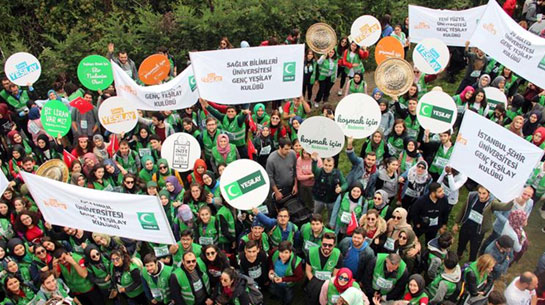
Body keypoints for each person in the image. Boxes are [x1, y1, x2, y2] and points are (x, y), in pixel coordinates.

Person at [454, 186, 514, 261]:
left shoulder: (492, 203)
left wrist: (513, 200)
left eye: (484, 193)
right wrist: (456, 223)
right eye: (479, 193)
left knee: (474, 249)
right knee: (461, 244)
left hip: (478, 231)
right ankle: (458, 256)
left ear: (488, 194)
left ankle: (470, 264)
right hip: (466, 226)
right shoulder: (472, 196)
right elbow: (463, 209)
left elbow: (504, 207)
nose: (481, 196)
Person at [311, 152, 347, 218]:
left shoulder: (338, 173)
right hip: (319, 198)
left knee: (331, 215)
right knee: (316, 213)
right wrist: (314, 161)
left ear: (333, 166)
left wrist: (341, 188)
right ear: (323, 164)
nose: (327, 167)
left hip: (331, 199)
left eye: (330, 165)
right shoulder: (319, 171)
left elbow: (345, 184)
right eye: (326, 165)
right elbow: (314, 170)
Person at [265, 137, 297, 211]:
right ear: (280, 147)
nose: (288, 151)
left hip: (291, 187)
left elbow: (295, 170)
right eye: (286, 149)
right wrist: (276, 192)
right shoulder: (271, 159)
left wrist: (295, 185)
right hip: (279, 189)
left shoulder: (293, 154)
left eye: (289, 148)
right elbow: (270, 177)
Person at [268, 241, 303, 305]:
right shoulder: (275, 253)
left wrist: (283, 279)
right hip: (275, 280)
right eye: (281, 252)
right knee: (276, 291)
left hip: (288, 285)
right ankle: (277, 297)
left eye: (286, 252)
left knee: (288, 297)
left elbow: (299, 277)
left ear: (290, 252)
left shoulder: (296, 263)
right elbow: (271, 262)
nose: (283, 255)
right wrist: (271, 269)